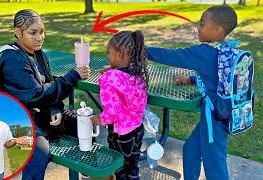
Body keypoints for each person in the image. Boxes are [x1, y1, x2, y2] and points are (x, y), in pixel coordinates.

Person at [0, 9, 89, 179]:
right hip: (16, 117)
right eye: (33, 33)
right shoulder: (12, 59)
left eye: (42, 31)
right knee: (39, 151)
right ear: (17, 32)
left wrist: (54, 108)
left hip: (38, 112)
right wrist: (73, 76)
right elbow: (36, 94)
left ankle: (87, 174)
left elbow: (47, 84)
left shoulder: (39, 54)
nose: (39, 37)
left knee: (86, 124)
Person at [146, 5, 238, 180]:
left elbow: (172, 56)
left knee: (215, 166)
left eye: (202, 24)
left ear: (218, 30)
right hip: (219, 114)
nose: (198, 27)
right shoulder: (225, 50)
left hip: (214, 120)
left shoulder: (205, 52)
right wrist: (193, 79)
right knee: (191, 150)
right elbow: (219, 78)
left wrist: (143, 50)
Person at [91, 30, 149, 180]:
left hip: (121, 134)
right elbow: (124, 74)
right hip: (137, 129)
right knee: (133, 165)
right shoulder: (137, 74)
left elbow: (113, 111)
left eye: (108, 52)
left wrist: (99, 119)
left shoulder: (110, 79)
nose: (107, 56)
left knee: (119, 167)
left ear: (119, 56)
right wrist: (113, 67)